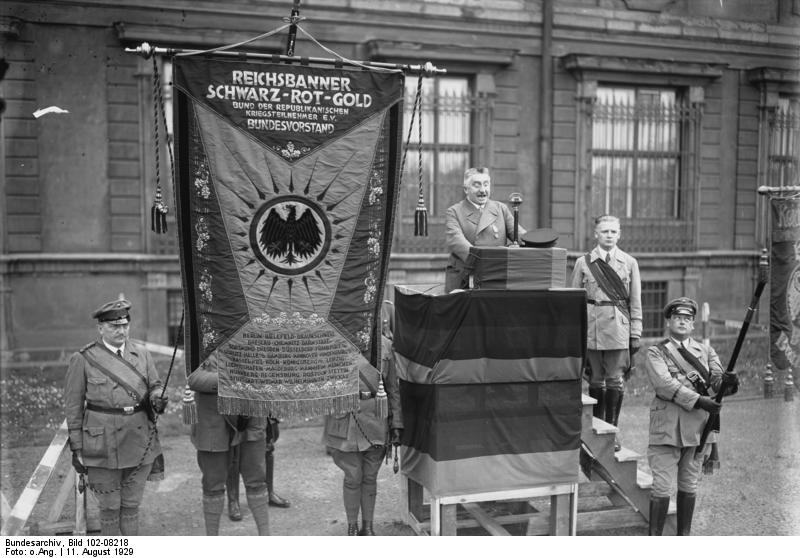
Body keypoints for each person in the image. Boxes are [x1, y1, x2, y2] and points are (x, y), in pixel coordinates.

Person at [64, 298, 168, 536]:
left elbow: (155, 385)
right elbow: (73, 407)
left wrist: (158, 398)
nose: (121, 331)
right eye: (114, 327)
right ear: (100, 328)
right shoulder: (83, 359)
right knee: (109, 508)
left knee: (131, 505)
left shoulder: (141, 354)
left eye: (125, 325)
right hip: (102, 445)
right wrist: (77, 447)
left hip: (138, 440)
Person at [644, 297, 739, 535]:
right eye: (677, 317)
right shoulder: (656, 352)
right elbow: (664, 384)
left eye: (687, 318)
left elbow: (717, 383)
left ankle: (683, 538)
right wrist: (699, 400)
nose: (682, 322)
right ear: (668, 321)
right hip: (667, 428)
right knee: (662, 488)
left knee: (689, 485)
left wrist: (729, 384)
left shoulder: (706, 351)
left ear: (693, 324)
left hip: (698, 430)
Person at [323, 302, 403, 535]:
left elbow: (393, 389)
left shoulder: (387, 347)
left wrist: (397, 423)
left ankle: (368, 526)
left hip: (377, 419)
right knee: (353, 476)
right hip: (346, 418)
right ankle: (352, 525)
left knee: (370, 476)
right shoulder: (336, 348)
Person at [569, 214, 642, 451]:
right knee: (595, 380)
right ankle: (595, 432)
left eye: (613, 231)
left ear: (619, 234)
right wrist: (574, 331)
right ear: (596, 234)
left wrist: (636, 333)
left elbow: (635, 301)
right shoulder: (584, 262)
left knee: (615, 381)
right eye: (605, 231)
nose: (609, 235)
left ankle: (612, 434)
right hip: (592, 329)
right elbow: (573, 299)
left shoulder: (629, 262)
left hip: (618, 328)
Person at [188, 363, 271, 535]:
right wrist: (235, 377)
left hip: (252, 416)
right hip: (212, 422)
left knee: (256, 480)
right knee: (213, 484)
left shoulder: (255, 338)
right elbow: (194, 378)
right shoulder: (202, 340)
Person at [444, 166, 526, 292]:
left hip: (496, 275)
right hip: (465, 277)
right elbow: (457, 243)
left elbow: (519, 234)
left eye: (486, 184)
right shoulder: (454, 212)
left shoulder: (500, 209)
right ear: (466, 189)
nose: (482, 190)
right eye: (477, 185)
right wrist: (486, 261)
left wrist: (538, 242)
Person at [225, 416, 290, 521]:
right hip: (235, 405)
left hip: (261, 406)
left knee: (268, 444)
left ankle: (269, 493)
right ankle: (233, 501)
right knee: (233, 452)